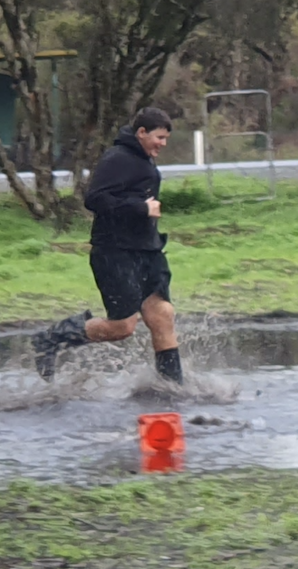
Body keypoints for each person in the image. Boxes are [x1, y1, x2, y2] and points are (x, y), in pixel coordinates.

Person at [30, 107, 183, 384]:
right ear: (141, 132)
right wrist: (140, 208)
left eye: (166, 138)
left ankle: (172, 389)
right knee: (122, 327)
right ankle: (50, 339)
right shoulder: (118, 158)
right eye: (159, 137)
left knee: (162, 315)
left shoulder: (144, 158)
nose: (163, 143)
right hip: (115, 253)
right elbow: (94, 199)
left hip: (148, 251)